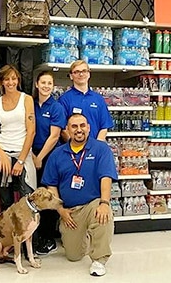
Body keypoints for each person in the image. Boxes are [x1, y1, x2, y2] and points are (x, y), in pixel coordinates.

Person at [42, 113, 117, 277]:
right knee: (73, 256)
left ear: (89, 128)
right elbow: (51, 185)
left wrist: (104, 202)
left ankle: (99, 259)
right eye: (74, 126)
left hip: (93, 204)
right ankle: (85, 237)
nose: (79, 130)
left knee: (103, 214)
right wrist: (60, 209)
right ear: (67, 129)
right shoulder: (57, 154)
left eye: (82, 125)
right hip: (70, 210)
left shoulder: (101, 149)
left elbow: (106, 177)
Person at [0, 64, 36, 210]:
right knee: (6, 203)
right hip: (3, 154)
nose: (11, 82)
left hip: (23, 155)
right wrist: (1, 155)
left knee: (28, 201)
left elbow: (31, 131)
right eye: (7, 79)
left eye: (14, 79)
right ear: (1, 82)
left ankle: (29, 233)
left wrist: (20, 160)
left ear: (18, 80)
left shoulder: (27, 99)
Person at [32, 71, 66, 256]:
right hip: (32, 155)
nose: (46, 86)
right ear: (37, 84)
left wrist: (40, 157)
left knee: (49, 196)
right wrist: (30, 155)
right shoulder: (30, 104)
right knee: (34, 196)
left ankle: (48, 237)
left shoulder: (56, 107)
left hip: (50, 156)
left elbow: (54, 136)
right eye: (43, 82)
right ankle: (34, 235)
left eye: (49, 83)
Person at [59, 60, 113, 141]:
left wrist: (96, 147)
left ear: (89, 74)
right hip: (73, 150)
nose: (81, 74)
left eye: (84, 71)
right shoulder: (64, 99)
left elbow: (104, 128)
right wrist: (75, 146)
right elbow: (62, 129)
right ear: (71, 76)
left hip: (95, 150)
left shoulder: (98, 99)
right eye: (77, 72)